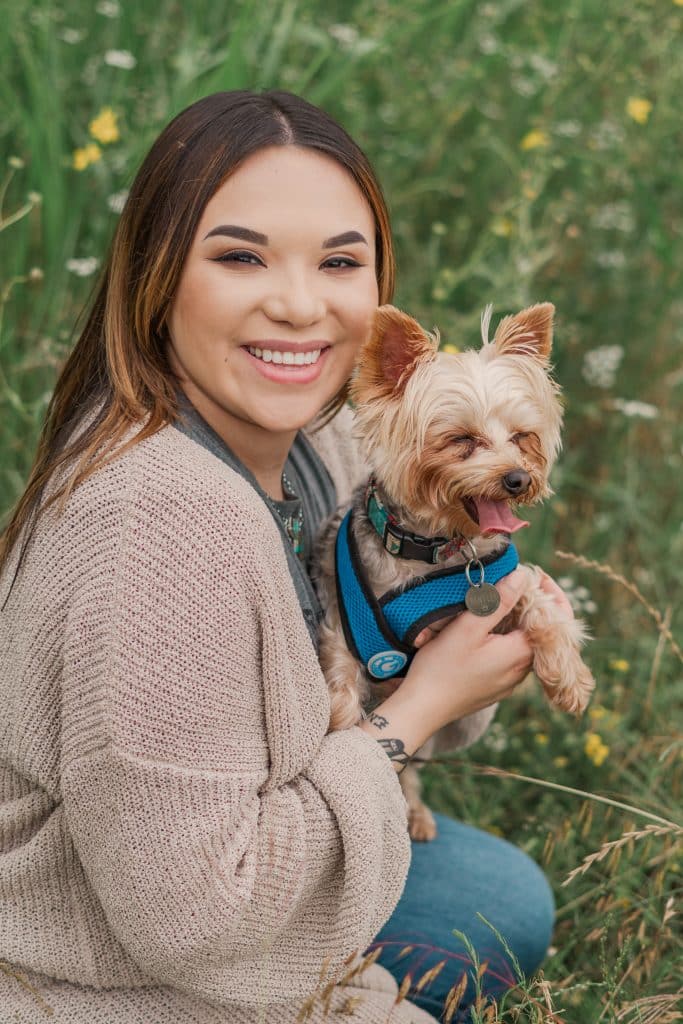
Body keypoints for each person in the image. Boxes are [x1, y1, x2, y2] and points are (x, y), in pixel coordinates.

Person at [0, 90, 566, 1022]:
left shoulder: (323, 447)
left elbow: (389, 647)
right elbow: (189, 922)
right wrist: (416, 712)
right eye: (238, 256)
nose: (300, 305)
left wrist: (455, 643)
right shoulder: (157, 527)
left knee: (496, 900)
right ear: (155, 276)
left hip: (246, 834)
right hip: (100, 957)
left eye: (339, 261)